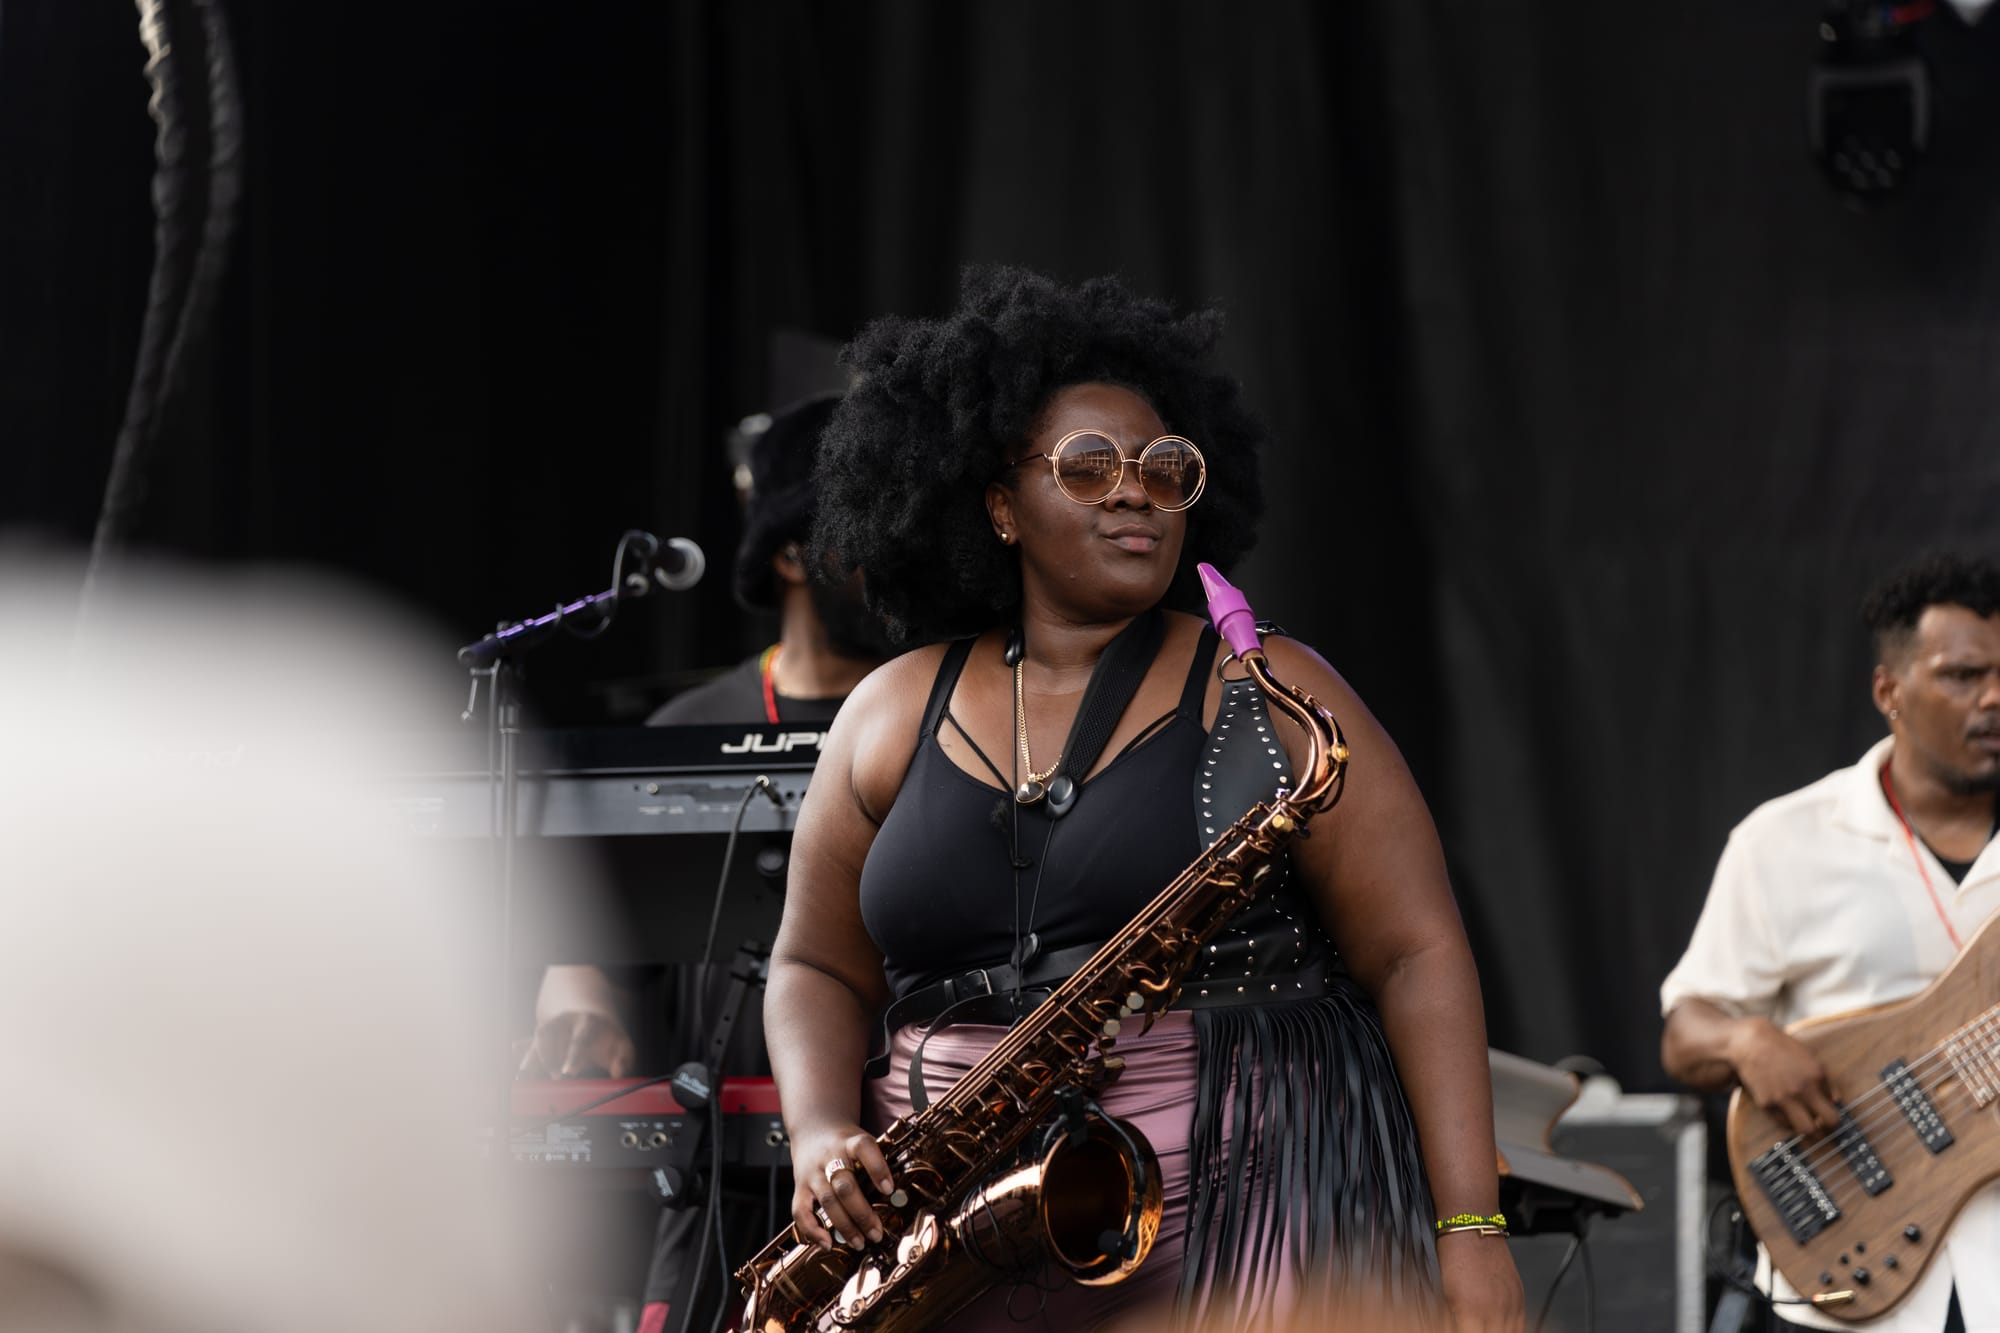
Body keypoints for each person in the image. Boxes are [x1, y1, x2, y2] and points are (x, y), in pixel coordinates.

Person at [761, 267, 1525, 1331]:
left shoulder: (1271, 688)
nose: (1136, 493)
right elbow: (812, 964)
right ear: (998, 506)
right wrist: (816, 1129)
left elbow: (1415, 954)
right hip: (946, 1228)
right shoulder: (887, 709)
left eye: (1166, 470)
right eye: (1088, 466)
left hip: (1238, 1215)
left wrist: (1471, 1229)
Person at [519, 394, 896, 1333]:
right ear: (791, 554)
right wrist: (580, 1008)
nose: (893, 554)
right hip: (715, 1181)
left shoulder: (929, 712)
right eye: (866, 529)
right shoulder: (688, 729)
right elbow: (596, 944)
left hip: (895, 1156)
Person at [1660, 551, 2000, 1333]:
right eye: (1963, 675)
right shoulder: (1784, 839)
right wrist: (1745, 1040)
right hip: (1849, 1275)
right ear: (1889, 691)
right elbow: (1684, 1031)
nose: (1994, 697)